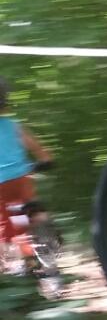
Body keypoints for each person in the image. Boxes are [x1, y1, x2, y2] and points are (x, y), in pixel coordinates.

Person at [0, 78, 53, 266]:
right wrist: (45, 160)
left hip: (1, 185)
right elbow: (37, 148)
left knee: (8, 226)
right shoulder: (14, 125)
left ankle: (18, 265)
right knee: (23, 212)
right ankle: (42, 223)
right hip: (21, 179)